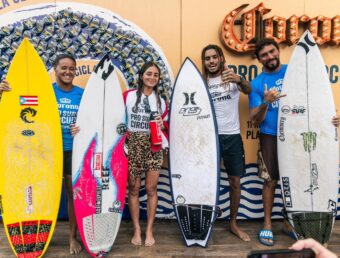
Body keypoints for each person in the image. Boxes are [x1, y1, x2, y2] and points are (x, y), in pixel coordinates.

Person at [249, 38, 340, 246]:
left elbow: (317, 100)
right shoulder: (257, 84)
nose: (269, 57)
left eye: (272, 52)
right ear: (258, 58)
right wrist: (266, 102)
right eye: (264, 55)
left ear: (278, 50)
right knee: (270, 180)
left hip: (298, 135)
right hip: (271, 135)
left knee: (299, 178)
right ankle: (267, 225)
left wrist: (330, 118)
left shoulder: (296, 72)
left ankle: (289, 223)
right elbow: (255, 119)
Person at [0, 54, 83, 255]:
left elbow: (90, 119)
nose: (68, 72)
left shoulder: (82, 94)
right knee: (40, 192)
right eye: (63, 68)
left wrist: (81, 128)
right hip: (46, 151)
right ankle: (41, 236)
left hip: (72, 149)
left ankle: (72, 237)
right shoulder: (44, 92)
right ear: (55, 70)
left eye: (72, 68)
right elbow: (23, 106)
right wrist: (8, 92)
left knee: (72, 196)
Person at [201, 44, 251, 241]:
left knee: (235, 181)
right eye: (207, 58)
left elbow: (248, 89)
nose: (211, 61)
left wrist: (240, 79)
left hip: (232, 136)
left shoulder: (231, 77)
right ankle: (206, 221)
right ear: (204, 62)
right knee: (206, 181)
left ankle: (233, 223)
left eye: (215, 57)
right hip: (209, 138)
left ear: (221, 58)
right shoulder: (202, 82)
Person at [123, 61, 168, 247]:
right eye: (149, 73)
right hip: (132, 144)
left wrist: (161, 124)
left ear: (158, 79)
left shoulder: (161, 101)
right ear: (142, 75)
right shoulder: (128, 96)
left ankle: (149, 229)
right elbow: (117, 120)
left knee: (151, 189)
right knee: (133, 188)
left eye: (156, 75)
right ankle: (137, 229)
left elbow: (166, 127)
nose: (152, 77)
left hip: (153, 146)